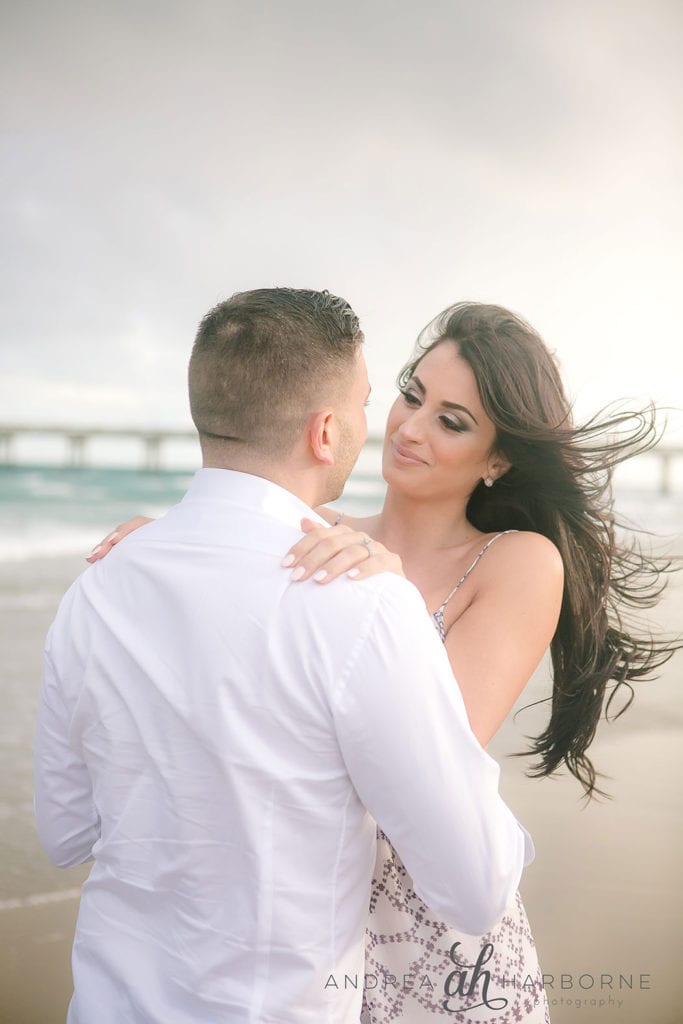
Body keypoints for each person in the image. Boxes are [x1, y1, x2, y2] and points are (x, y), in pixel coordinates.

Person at [93, 300, 678, 1023]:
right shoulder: (308, 531)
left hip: (429, 927)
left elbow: (431, 765)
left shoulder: (517, 564)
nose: (408, 427)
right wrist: (169, 546)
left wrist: (388, 592)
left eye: (451, 421)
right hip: (291, 915)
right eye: (410, 393)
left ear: (498, 458)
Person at [35, 288, 534, 1024]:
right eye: (388, 399)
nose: (397, 427)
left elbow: (65, 833)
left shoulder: (102, 584)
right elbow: (473, 883)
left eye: (450, 418)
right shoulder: (361, 599)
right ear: (326, 431)